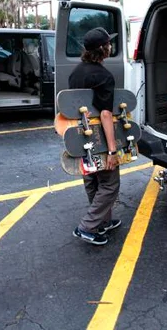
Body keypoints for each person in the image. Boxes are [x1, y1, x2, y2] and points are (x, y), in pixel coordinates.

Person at [68, 27, 124, 246]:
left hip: (80, 135)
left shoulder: (76, 72)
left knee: (91, 179)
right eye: (109, 43)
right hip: (100, 137)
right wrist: (112, 151)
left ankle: (103, 221)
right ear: (103, 49)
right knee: (110, 184)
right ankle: (87, 226)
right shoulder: (104, 76)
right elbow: (106, 114)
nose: (111, 46)